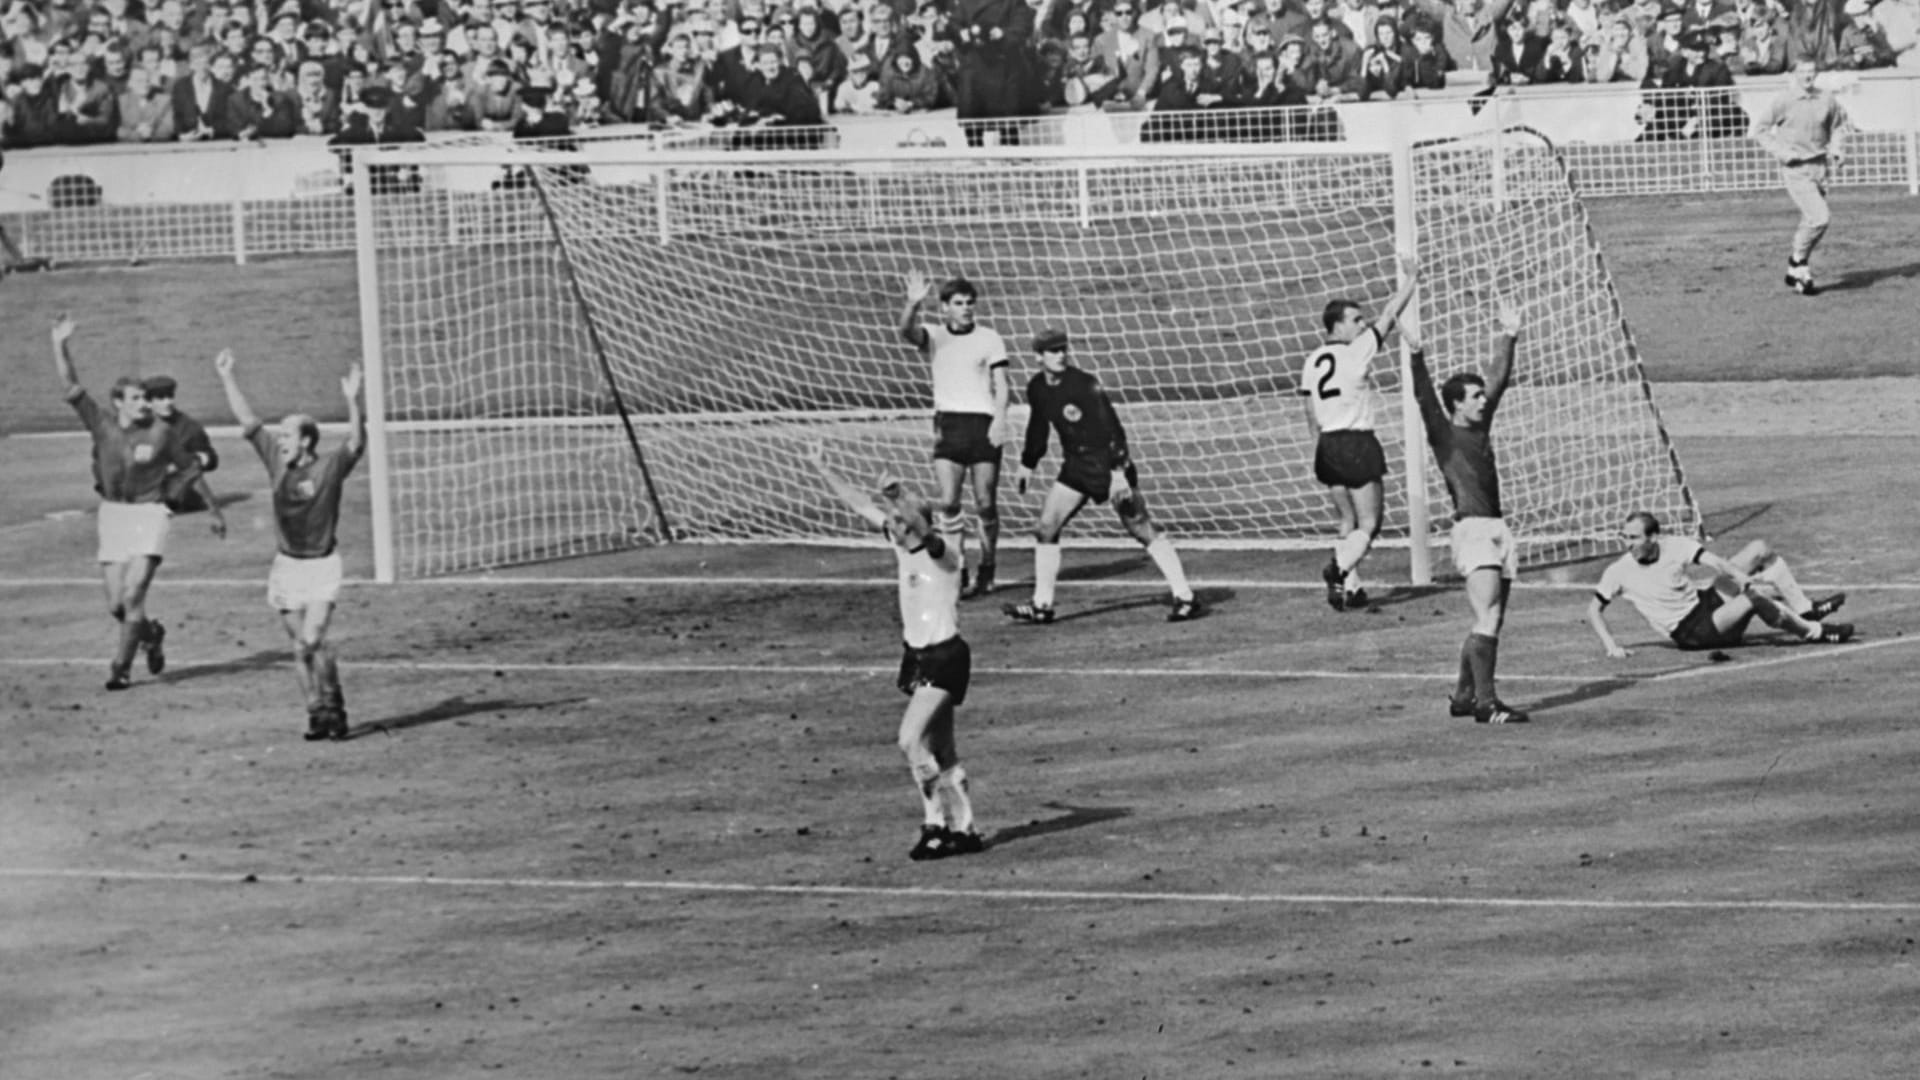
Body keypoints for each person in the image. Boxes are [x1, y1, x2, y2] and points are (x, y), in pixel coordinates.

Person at [806, 442, 987, 862]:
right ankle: (968, 829)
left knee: (909, 740)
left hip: (945, 657)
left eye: (899, 520)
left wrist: (897, 494)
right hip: (919, 657)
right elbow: (857, 505)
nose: (892, 525)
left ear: (915, 524)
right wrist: (823, 468)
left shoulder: (944, 556)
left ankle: (935, 824)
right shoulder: (900, 543)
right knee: (942, 750)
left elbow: (925, 531)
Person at [52, 315, 226, 692]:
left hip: (150, 515)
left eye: (147, 397)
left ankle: (120, 669)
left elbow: (191, 466)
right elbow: (70, 385)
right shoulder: (101, 424)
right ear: (119, 404)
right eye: (137, 398)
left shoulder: (163, 434)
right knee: (117, 605)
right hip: (113, 515)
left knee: (133, 594)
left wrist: (198, 505)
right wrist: (60, 344)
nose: (146, 403)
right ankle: (152, 634)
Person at [215, 349, 368, 741]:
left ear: (306, 442)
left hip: (321, 566)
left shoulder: (328, 469)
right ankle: (316, 713)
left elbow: (356, 443)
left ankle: (335, 701)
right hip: (287, 568)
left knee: (313, 638)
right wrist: (227, 376)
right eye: (280, 435)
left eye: (287, 435)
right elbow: (249, 422)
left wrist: (353, 401)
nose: (280, 440)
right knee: (300, 647)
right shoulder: (276, 463)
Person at [1003, 329, 1201, 625]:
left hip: (1107, 462)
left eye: (1063, 349)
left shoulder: (1084, 385)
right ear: (1038, 357)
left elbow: (1113, 429)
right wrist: (1027, 464)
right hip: (1076, 466)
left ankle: (1185, 596)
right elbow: (1038, 428)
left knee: (1141, 527)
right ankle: (1042, 605)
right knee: (1046, 527)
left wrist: (1119, 473)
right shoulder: (1037, 388)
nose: (1061, 355)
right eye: (1053, 351)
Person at [1403, 296, 1527, 724]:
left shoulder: (1481, 423)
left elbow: (1498, 380)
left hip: (1498, 529)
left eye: (1479, 396)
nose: (1481, 401)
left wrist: (1510, 335)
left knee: (1492, 618)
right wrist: (1417, 355)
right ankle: (1487, 704)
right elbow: (1423, 399)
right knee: (1487, 616)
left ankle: (1462, 696)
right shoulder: (1444, 434)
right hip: (1473, 531)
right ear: (1456, 404)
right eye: (1472, 397)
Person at [1302, 256, 1420, 611]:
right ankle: (1338, 570)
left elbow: (1308, 411)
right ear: (1336, 326)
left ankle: (1350, 589)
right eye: (1355, 319)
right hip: (1356, 442)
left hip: (1326, 445)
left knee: (1346, 520)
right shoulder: (1356, 351)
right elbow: (1388, 314)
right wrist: (1411, 281)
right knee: (1370, 523)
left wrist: (1316, 449)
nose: (1362, 324)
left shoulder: (1312, 360)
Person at [1587, 512, 1851, 656]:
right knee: (1754, 599)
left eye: (1634, 538)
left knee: (1758, 549)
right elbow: (1593, 610)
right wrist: (1611, 645)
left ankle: (1804, 609)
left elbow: (1716, 562)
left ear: (1653, 537)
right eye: (1625, 538)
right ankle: (1815, 631)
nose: (1628, 544)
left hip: (1704, 604)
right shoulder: (1618, 571)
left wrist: (1740, 577)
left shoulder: (1674, 546)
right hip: (1692, 632)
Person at [898, 272, 1011, 598]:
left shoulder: (989, 337)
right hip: (949, 425)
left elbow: (1002, 384)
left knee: (986, 503)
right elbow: (906, 331)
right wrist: (912, 303)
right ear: (945, 307)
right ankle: (957, 568)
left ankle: (987, 567)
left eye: (969, 303)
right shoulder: (934, 335)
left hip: (983, 424)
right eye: (958, 304)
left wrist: (1000, 419)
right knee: (948, 502)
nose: (965, 309)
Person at [1751, 57, 1849, 295]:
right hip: (1796, 169)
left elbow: (1838, 125)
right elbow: (1760, 130)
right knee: (1820, 218)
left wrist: (1837, 149)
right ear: (1793, 74)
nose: (1807, 75)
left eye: (1812, 71)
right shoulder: (1783, 100)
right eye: (1803, 71)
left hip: (1820, 166)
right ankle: (1801, 266)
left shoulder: (1826, 98)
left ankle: (1795, 265)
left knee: (1811, 220)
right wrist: (1783, 153)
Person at [141, 375, 220, 514]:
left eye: (170, 397)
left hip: (176, 488)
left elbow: (212, 459)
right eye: (161, 398)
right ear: (148, 402)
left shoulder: (188, 427)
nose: (168, 402)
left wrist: (187, 460)